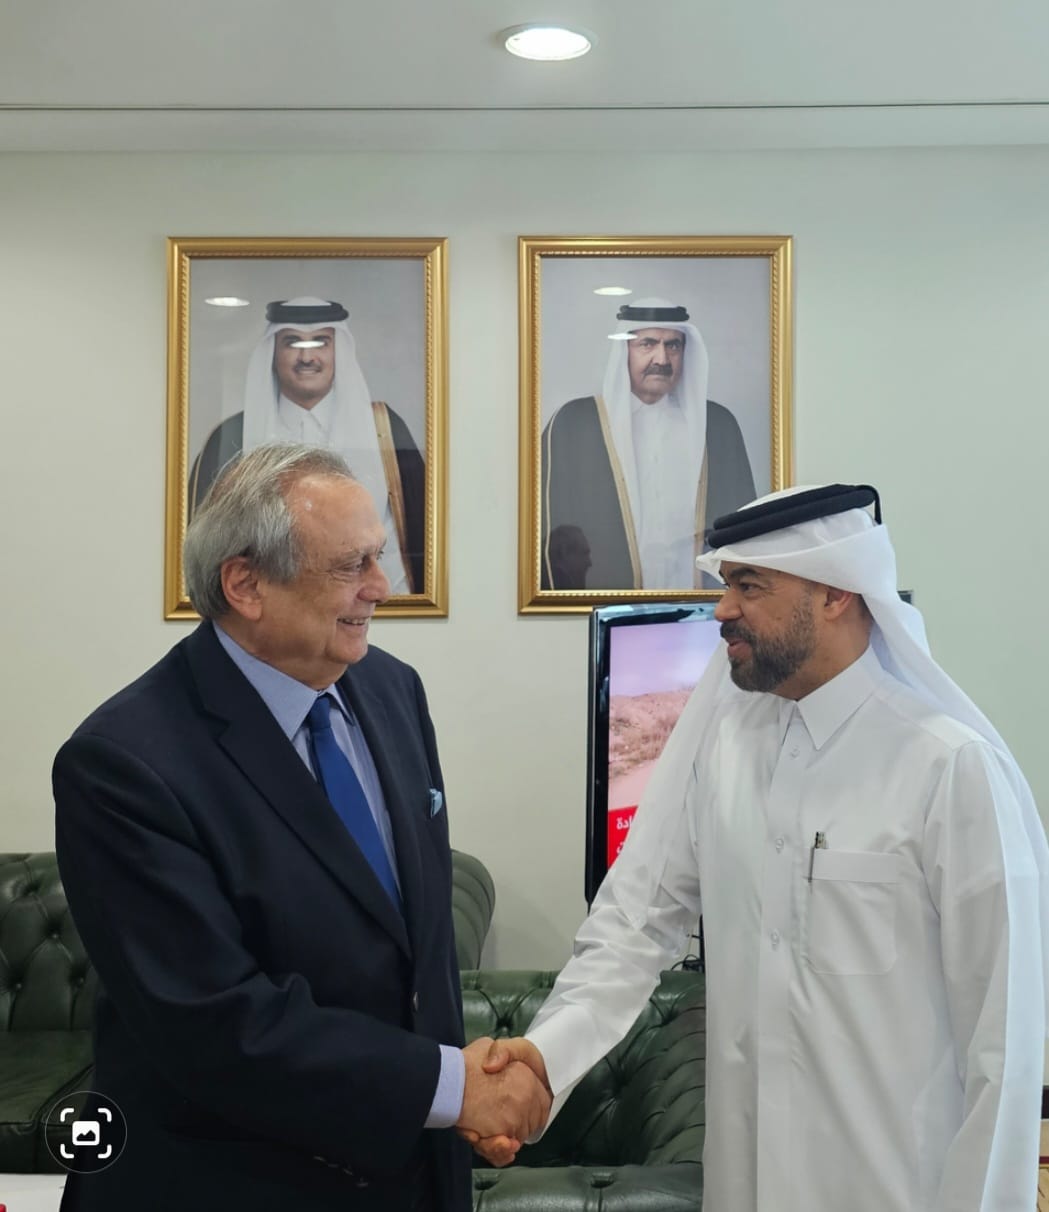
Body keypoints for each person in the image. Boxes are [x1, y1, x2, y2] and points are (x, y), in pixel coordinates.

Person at [473, 483, 1049, 1212]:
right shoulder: (723, 750)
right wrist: (542, 1060)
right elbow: (633, 924)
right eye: (726, 585)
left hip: (892, 1189)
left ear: (835, 593)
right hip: (743, 1186)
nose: (721, 610)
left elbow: (1003, 1045)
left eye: (749, 586)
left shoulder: (950, 768)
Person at [53, 444, 548, 1212]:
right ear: (245, 584)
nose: (381, 587)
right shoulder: (122, 765)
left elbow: (413, 956)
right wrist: (455, 1088)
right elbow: (215, 1026)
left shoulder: (391, 690)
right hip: (232, 1188)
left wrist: (466, 1095)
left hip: (411, 1173)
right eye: (351, 566)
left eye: (379, 557)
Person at [189, 298, 425, 594]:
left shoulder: (384, 428)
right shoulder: (231, 435)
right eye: (292, 342)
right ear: (273, 353)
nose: (306, 357)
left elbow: (415, 534)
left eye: (320, 342)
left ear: (338, 351)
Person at [540, 298, 755, 591]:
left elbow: (743, 530)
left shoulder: (718, 425)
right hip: (606, 602)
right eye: (647, 344)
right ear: (624, 351)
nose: (662, 359)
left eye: (673, 346)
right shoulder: (575, 423)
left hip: (700, 606)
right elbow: (553, 537)